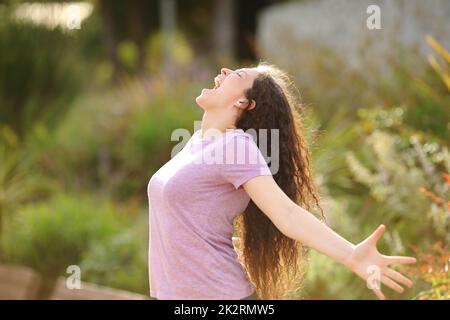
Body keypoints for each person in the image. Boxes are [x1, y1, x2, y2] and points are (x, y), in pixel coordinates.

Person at [147, 62, 416, 300]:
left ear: (243, 103)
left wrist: (350, 254)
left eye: (237, 74)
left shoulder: (234, 146)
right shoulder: (197, 142)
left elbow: (285, 212)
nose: (224, 71)